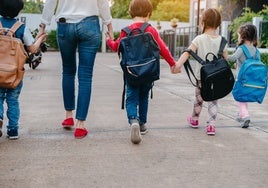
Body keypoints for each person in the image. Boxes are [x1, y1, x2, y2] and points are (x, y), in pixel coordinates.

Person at [37, 0, 113, 139]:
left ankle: (68, 116)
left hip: (65, 25)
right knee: (85, 76)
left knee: (68, 71)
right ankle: (80, 125)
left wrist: (42, 28)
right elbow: (102, 3)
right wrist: (109, 25)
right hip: (89, 25)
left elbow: (50, 3)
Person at [106, 0, 179, 144]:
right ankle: (142, 124)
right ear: (148, 14)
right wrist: (173, 64)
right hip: (148, 71)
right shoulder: (150, 30)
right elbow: (162, 48)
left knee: (131, 97)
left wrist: (109, 40)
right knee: (144, 97)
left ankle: (133, 119)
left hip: (131, 72)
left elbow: (116, 47)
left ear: (131, 13)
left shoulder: (125, 31)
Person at [175, 8, 228, 135]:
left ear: (202, 22)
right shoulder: (222, 41)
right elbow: (226, 59)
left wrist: (178, 65)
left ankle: (194, 119)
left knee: (199, 99)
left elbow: (188, 52)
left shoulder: (199, 39)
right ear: (219, 24)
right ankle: (211, 126)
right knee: (213, 101)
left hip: (202, 77)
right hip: (217, 77)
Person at [0, 0, 46, 140]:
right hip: (15, 73)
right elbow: (32, 49)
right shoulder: (21, 28)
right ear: (18, 11)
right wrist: (40, 39)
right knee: (13, 101)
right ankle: (13, 130)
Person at [227, 24, 258, 128]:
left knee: (239, 97)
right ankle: (241, 115)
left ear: (242, 36)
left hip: (241, 79)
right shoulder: (255, 50)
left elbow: (232, 58)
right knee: (244, 97)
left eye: (239, 35)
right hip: (251, 79)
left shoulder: (241, 48)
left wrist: (224, 55)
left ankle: (245, 116)